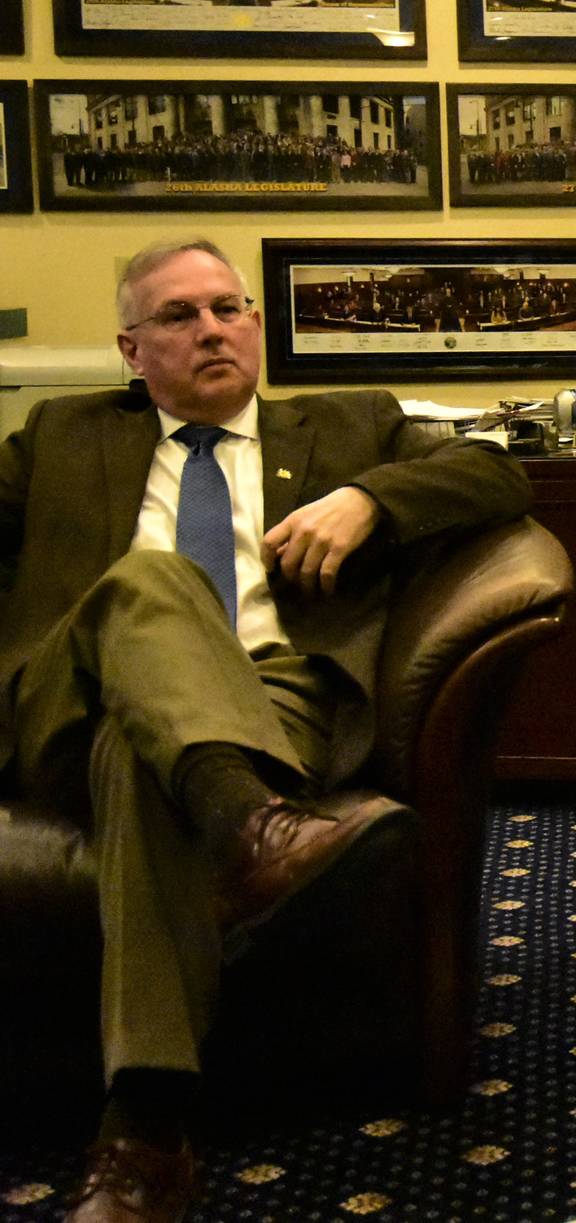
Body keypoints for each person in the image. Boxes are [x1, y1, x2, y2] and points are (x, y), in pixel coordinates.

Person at [1, 237, 531, 1222]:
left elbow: (497, 476)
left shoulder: (348, 426)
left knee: (142, 755)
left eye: (228, 307)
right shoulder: (58, 435)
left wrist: (371, 497)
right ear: (130, 349)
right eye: (178, 315)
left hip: (271, 696)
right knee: (149, 583)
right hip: (78, 694)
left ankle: (144, 1135)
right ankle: (259, 831)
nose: (212, 328)